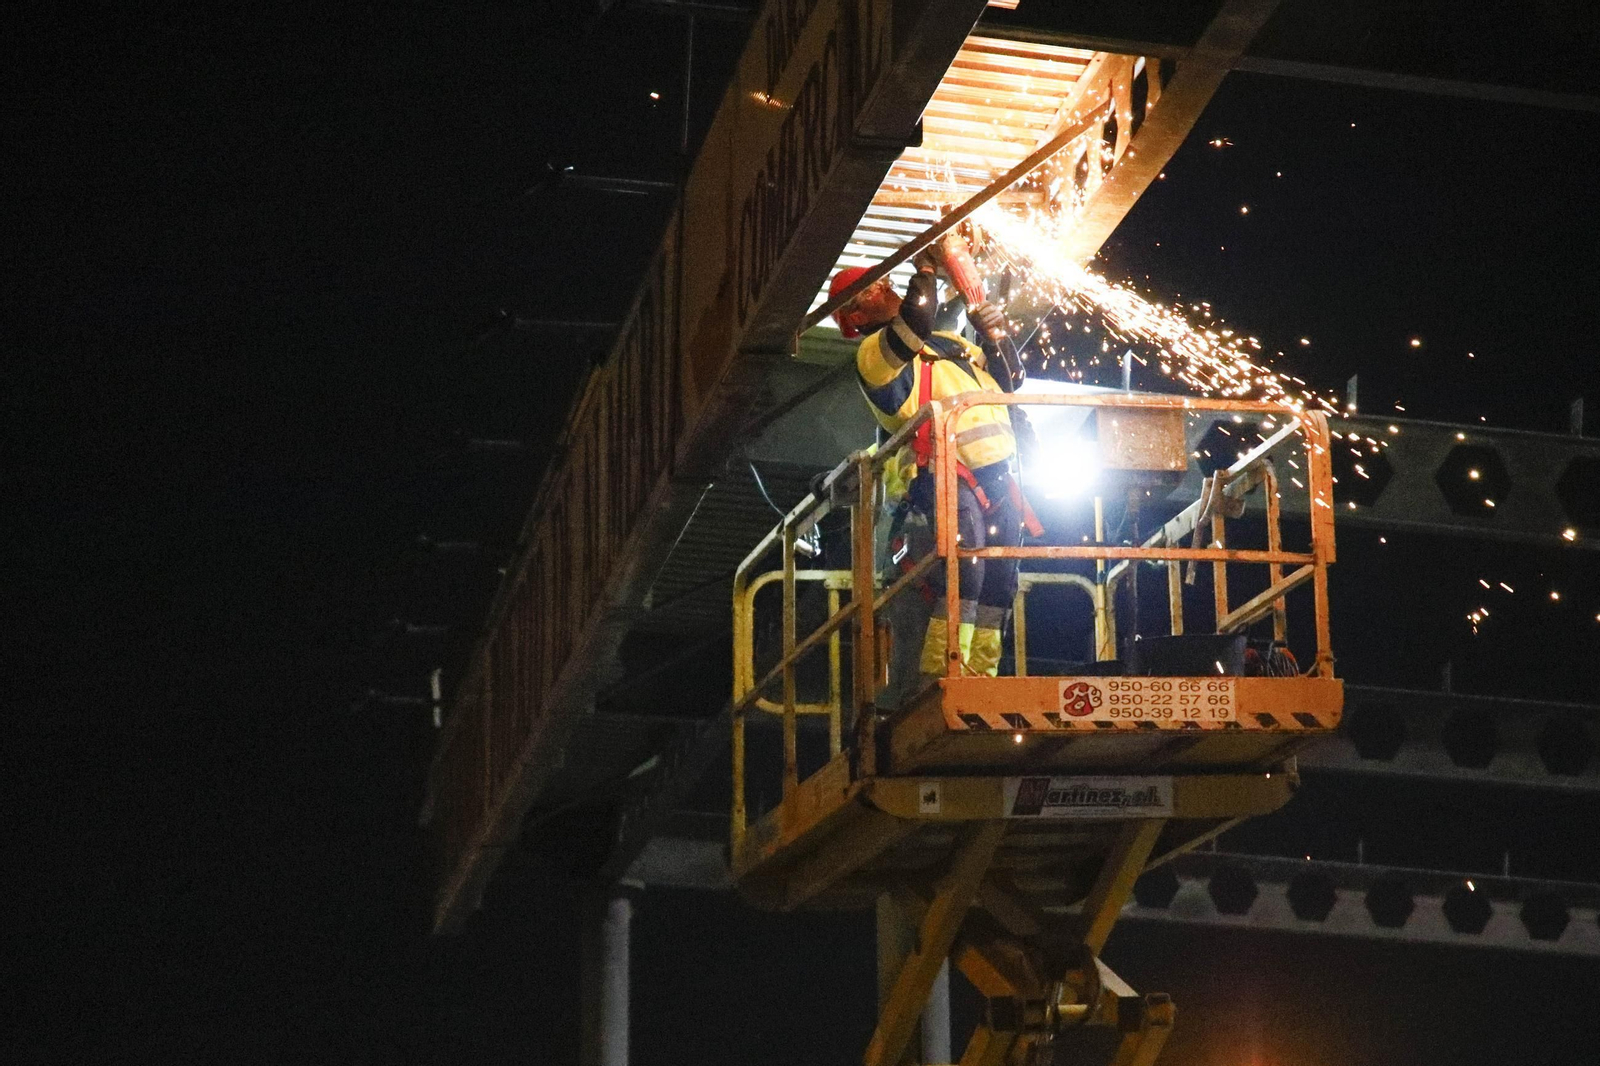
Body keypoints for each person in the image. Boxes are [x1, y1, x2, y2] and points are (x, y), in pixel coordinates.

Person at [830, 258, 1024, 678]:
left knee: (999, 585)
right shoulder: (873, 354)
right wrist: (928, 270)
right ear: (855, 317)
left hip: (998, 474)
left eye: (881, 280)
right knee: (964, 573)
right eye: (869, 290)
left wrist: (994, 334)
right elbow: (915, 320)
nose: (884, 287)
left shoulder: (947, 342)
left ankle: (982, 675)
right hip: (944, 471)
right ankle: (944, 672)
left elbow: (1012, 381)